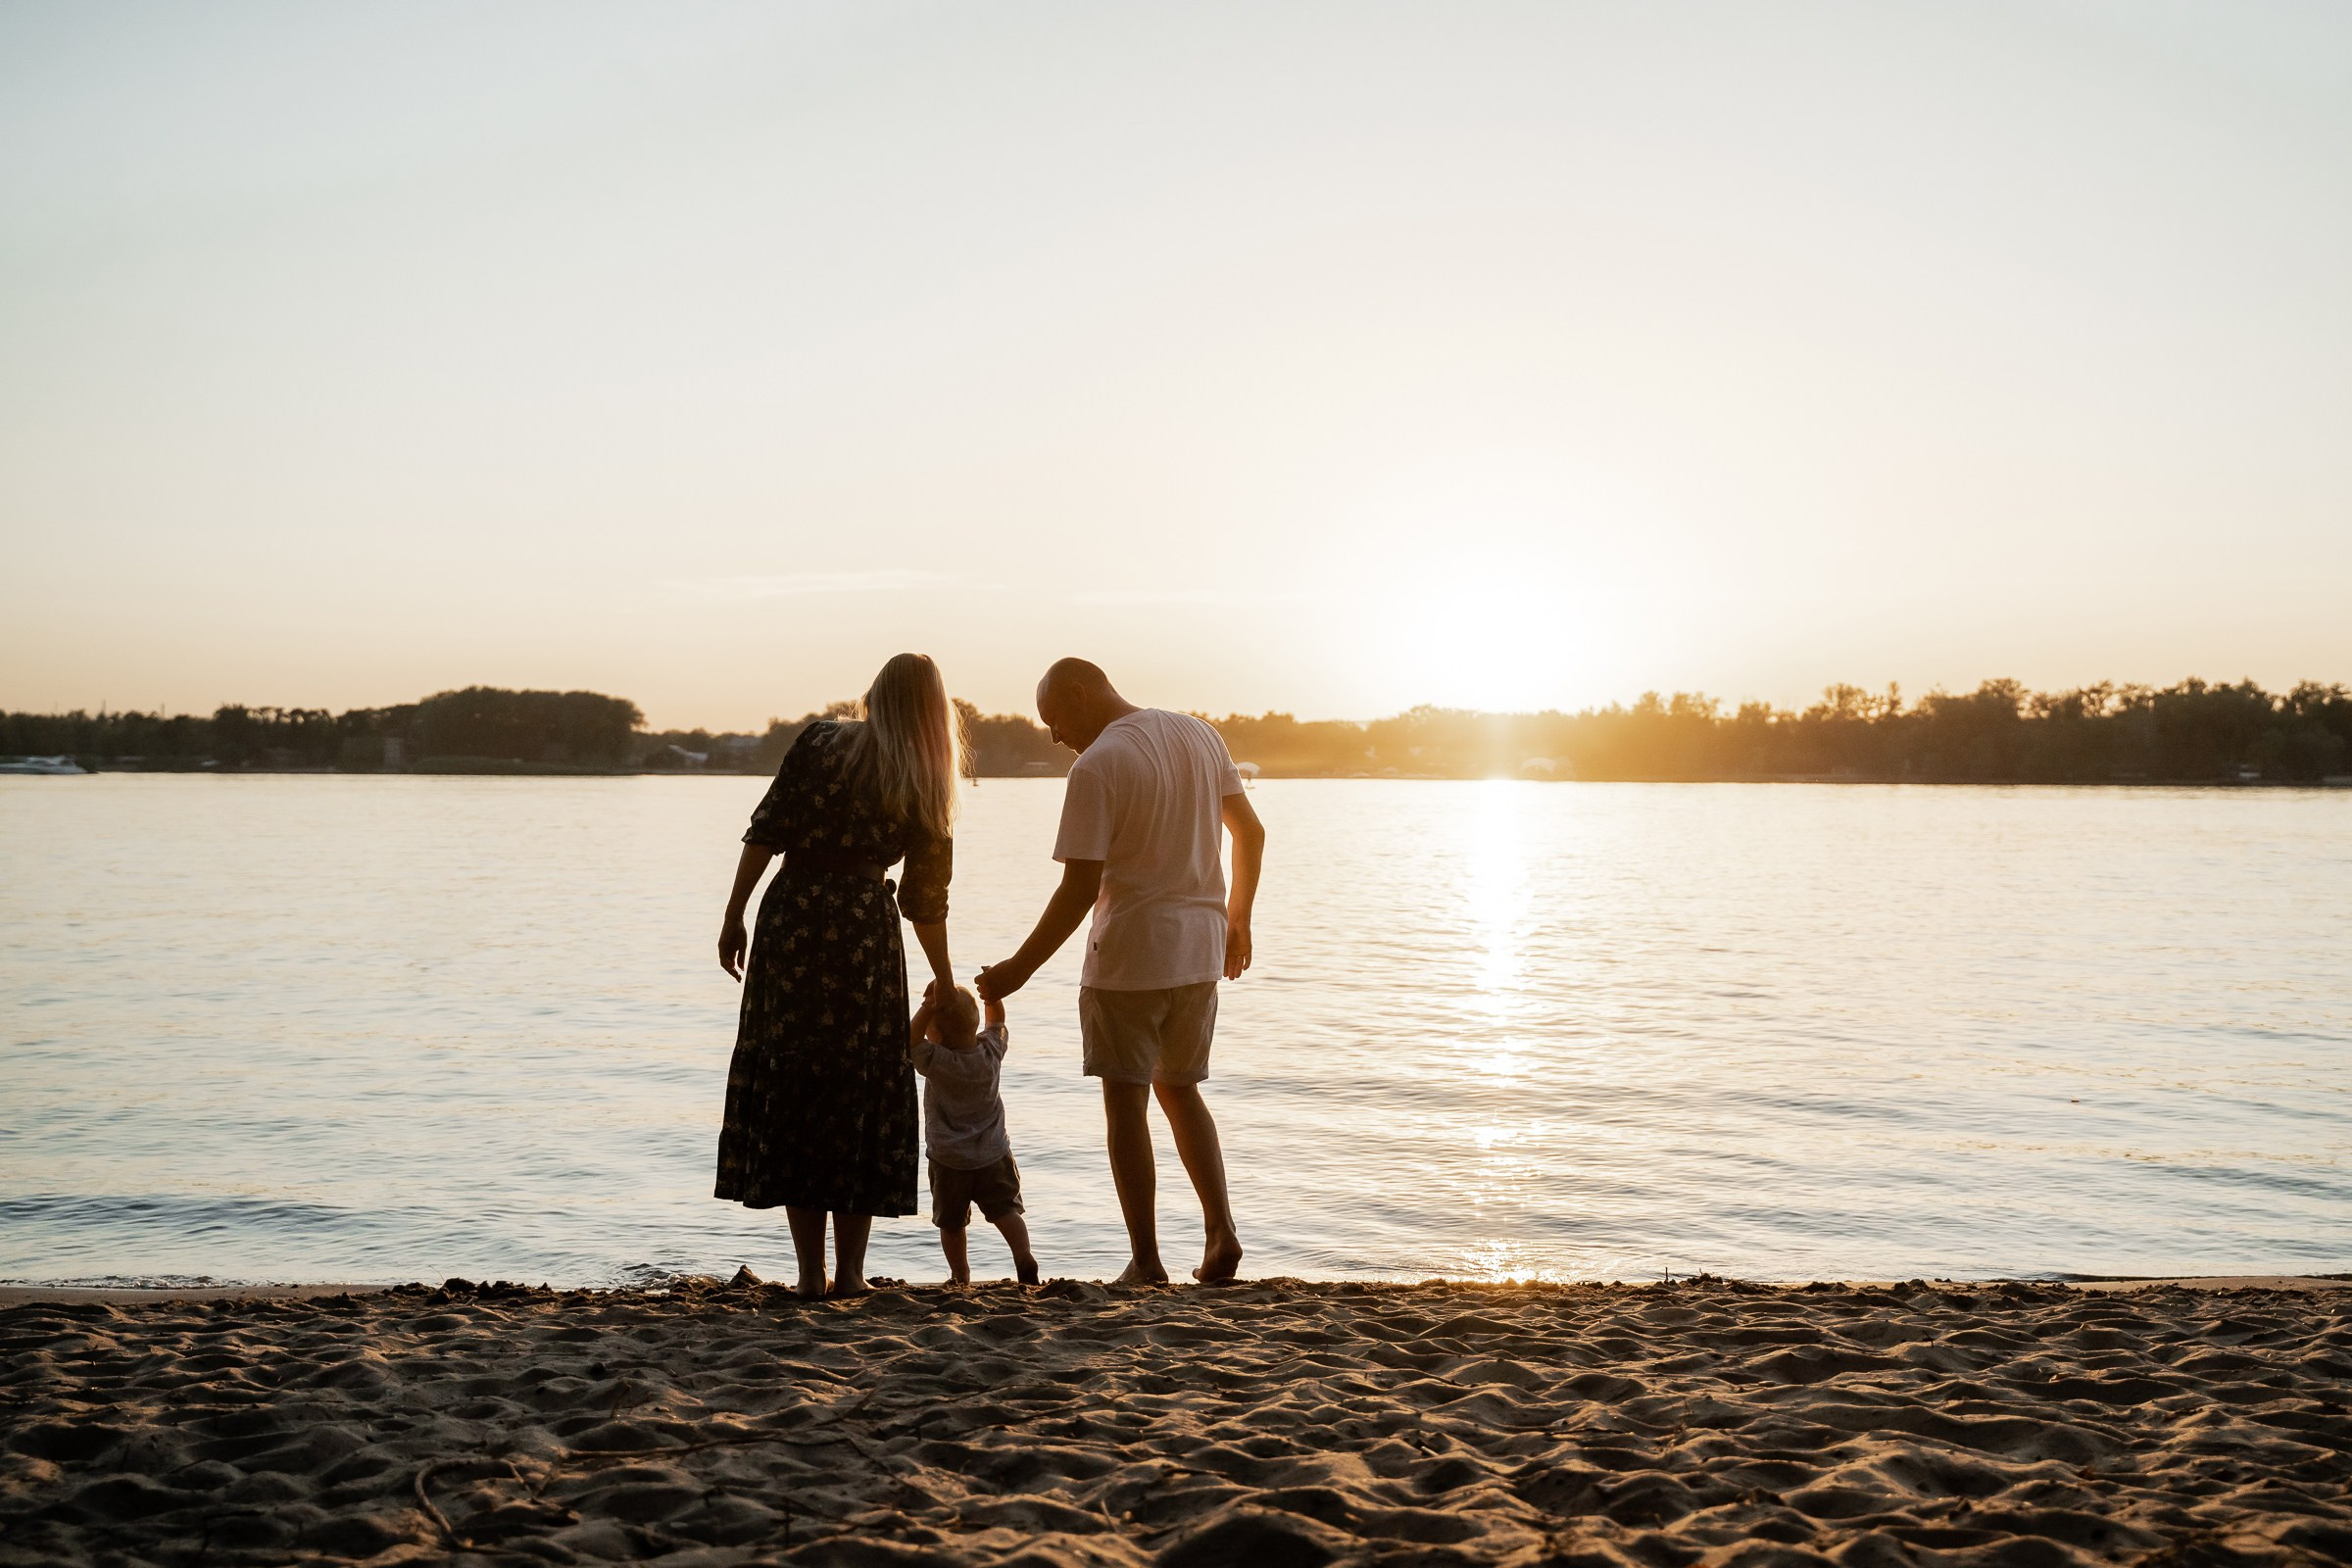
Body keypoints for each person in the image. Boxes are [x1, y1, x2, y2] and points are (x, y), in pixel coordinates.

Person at [977, 659, 1266, 1285]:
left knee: (1126, 1105)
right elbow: (1250, 830)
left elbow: (1080, 887)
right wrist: (1237, 917)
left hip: (1130, 955)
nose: (1054, 736)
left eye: (1054, 720)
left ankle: (1146, 1259)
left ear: (1080, 695)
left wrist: (1017, 971)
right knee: (1181, 1089)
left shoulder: (1099, 764)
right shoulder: (1198, 733)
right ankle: (1221, 1232)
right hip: (1198, 950)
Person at [714, 653, 961, 1298]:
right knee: (858, 1093)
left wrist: (735, 913)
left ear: (875, 694)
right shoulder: (927, 775)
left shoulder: (822, 740)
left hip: (793, 916)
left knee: (799, 1087)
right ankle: (851, 1274)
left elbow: (766, 831)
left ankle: (809, 1276)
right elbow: (924, 900)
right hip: (861, 935)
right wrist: (945, 979)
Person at [908, 981, 1039, 1286]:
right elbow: (998, 1022)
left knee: (952, 1223)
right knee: (1006, 1210)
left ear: (937, 1035)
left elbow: (911, 1040)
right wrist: (993, 995)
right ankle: (1023, 1255)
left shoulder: (936, 1060)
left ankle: (960, 1273)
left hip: (949, 1160)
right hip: (993, 1154)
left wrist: (926, 1008)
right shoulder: (991, 1050)